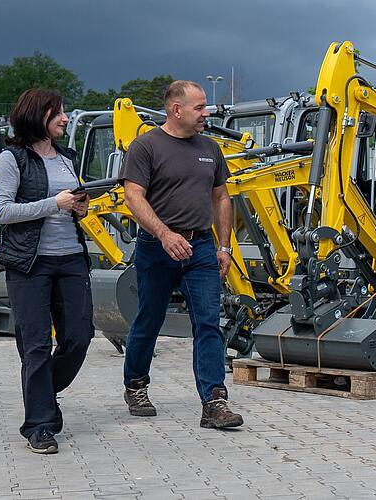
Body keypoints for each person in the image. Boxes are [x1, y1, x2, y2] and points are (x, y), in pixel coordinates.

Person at [119, 80, 244, 429]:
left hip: (201, 246)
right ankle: (136, 385)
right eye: (200, 108)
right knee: (149, 319)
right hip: (156, 248)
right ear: (176, 109)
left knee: (208, 321)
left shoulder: (210, 148)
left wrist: (223, 246)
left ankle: (214, 402)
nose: (207, 114)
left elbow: (221, 198)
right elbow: (134, 198)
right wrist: (164, 234)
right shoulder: (145, 147)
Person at [0, 88, 95, 454]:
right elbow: (2, 212)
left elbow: (74, 203)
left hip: (71, 258)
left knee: (80, 337)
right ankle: (39, 425)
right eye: (58, 113)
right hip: (29, 264)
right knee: (35, 346)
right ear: (38, 115)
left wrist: (81, 208)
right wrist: (54, 203)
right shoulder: (11, 158)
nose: (65, 118)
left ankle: (44, 393)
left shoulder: (67, 157)